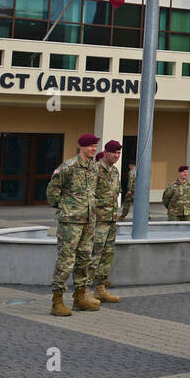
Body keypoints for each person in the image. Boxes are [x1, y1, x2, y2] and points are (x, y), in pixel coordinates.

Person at [46, 135, 101, 315]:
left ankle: (80, 297)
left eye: (95, 146)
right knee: (66, 260)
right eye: (91, 146)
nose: (94, 149)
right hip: (71, 221)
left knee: (85, 259)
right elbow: (52, 192)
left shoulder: (93, 167)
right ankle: (57, 301)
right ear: (81, 147)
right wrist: (65, 208)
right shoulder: (68, 167)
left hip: (88, 220)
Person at [88, 139, 123, 302]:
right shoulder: (94, 170)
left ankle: (100, 288)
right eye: (114, 152)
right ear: (106, 152)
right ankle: (84, 292)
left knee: (107, 254)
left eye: (118, 153)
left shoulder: (115, 171)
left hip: (111, 220)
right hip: (97, 220)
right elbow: (87, 196)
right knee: (93, 254)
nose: (116, 156)